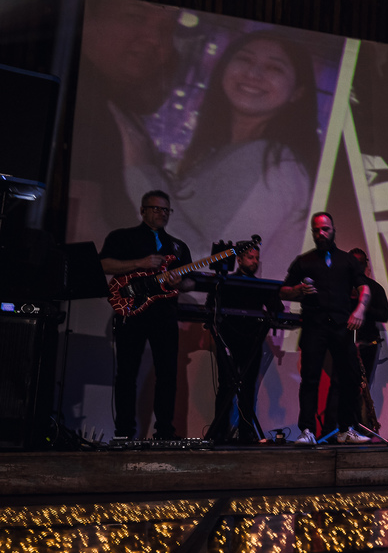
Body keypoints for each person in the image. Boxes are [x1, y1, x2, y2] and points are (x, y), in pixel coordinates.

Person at [172, 32, 321, 278]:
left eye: (274, 67)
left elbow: (212, 267)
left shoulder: (275, 162)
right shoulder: (221, 152)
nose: (253, 74)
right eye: (244, 59)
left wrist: (141, 172)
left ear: (297, 92)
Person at [74, 0, 178, 235]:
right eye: (134, 16)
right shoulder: (87, 107)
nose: (154, 39)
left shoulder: (116, 108)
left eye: (166, 29)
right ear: (89, 15)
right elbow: (80, 230)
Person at [98, 190, 192, 440]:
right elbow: (103, 265)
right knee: (127, 372)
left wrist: (180, 282)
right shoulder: (122, 237)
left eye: (166, 210)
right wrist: (140, 263)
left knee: (167, 374)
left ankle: (164, 432)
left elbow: (191, 283)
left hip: (165, 314)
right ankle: (124, 432)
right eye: (156, 208)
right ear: (143, 210)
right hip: (132, 312)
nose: (162, 214)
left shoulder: (178, 246)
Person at [280, 213, 371, 445]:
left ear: (333, 230)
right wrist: (298, 290)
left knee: (349, 378)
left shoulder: (347, 261)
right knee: (310, 379)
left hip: (341, 325)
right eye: (316, 230)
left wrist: (359, 310)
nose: (321, 234)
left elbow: (364, 288)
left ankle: (345, 429)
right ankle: (307, 430)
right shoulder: (304, 261)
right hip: (314, 325)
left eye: (325, 229)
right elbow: (283, 291)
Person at [206, 243, 284, 445]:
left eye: (257, 258)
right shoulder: (226, 282)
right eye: (250, 257)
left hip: (252, 341)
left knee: (249, 387)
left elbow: (278, 308)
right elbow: (210, 306)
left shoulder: (260, 285)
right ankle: (220, 431)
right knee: (225, 386)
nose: (255, 261)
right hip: (228, 339)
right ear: (238, 259)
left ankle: (246, 431)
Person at [347, 248, 388, 388]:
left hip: (367, 345)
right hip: (343, 344)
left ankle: (363, 410)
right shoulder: (340, 287)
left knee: (363, 387)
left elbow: (384, 315)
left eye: (360, 263)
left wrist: (362, 306)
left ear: (366, 265)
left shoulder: (375, 289)